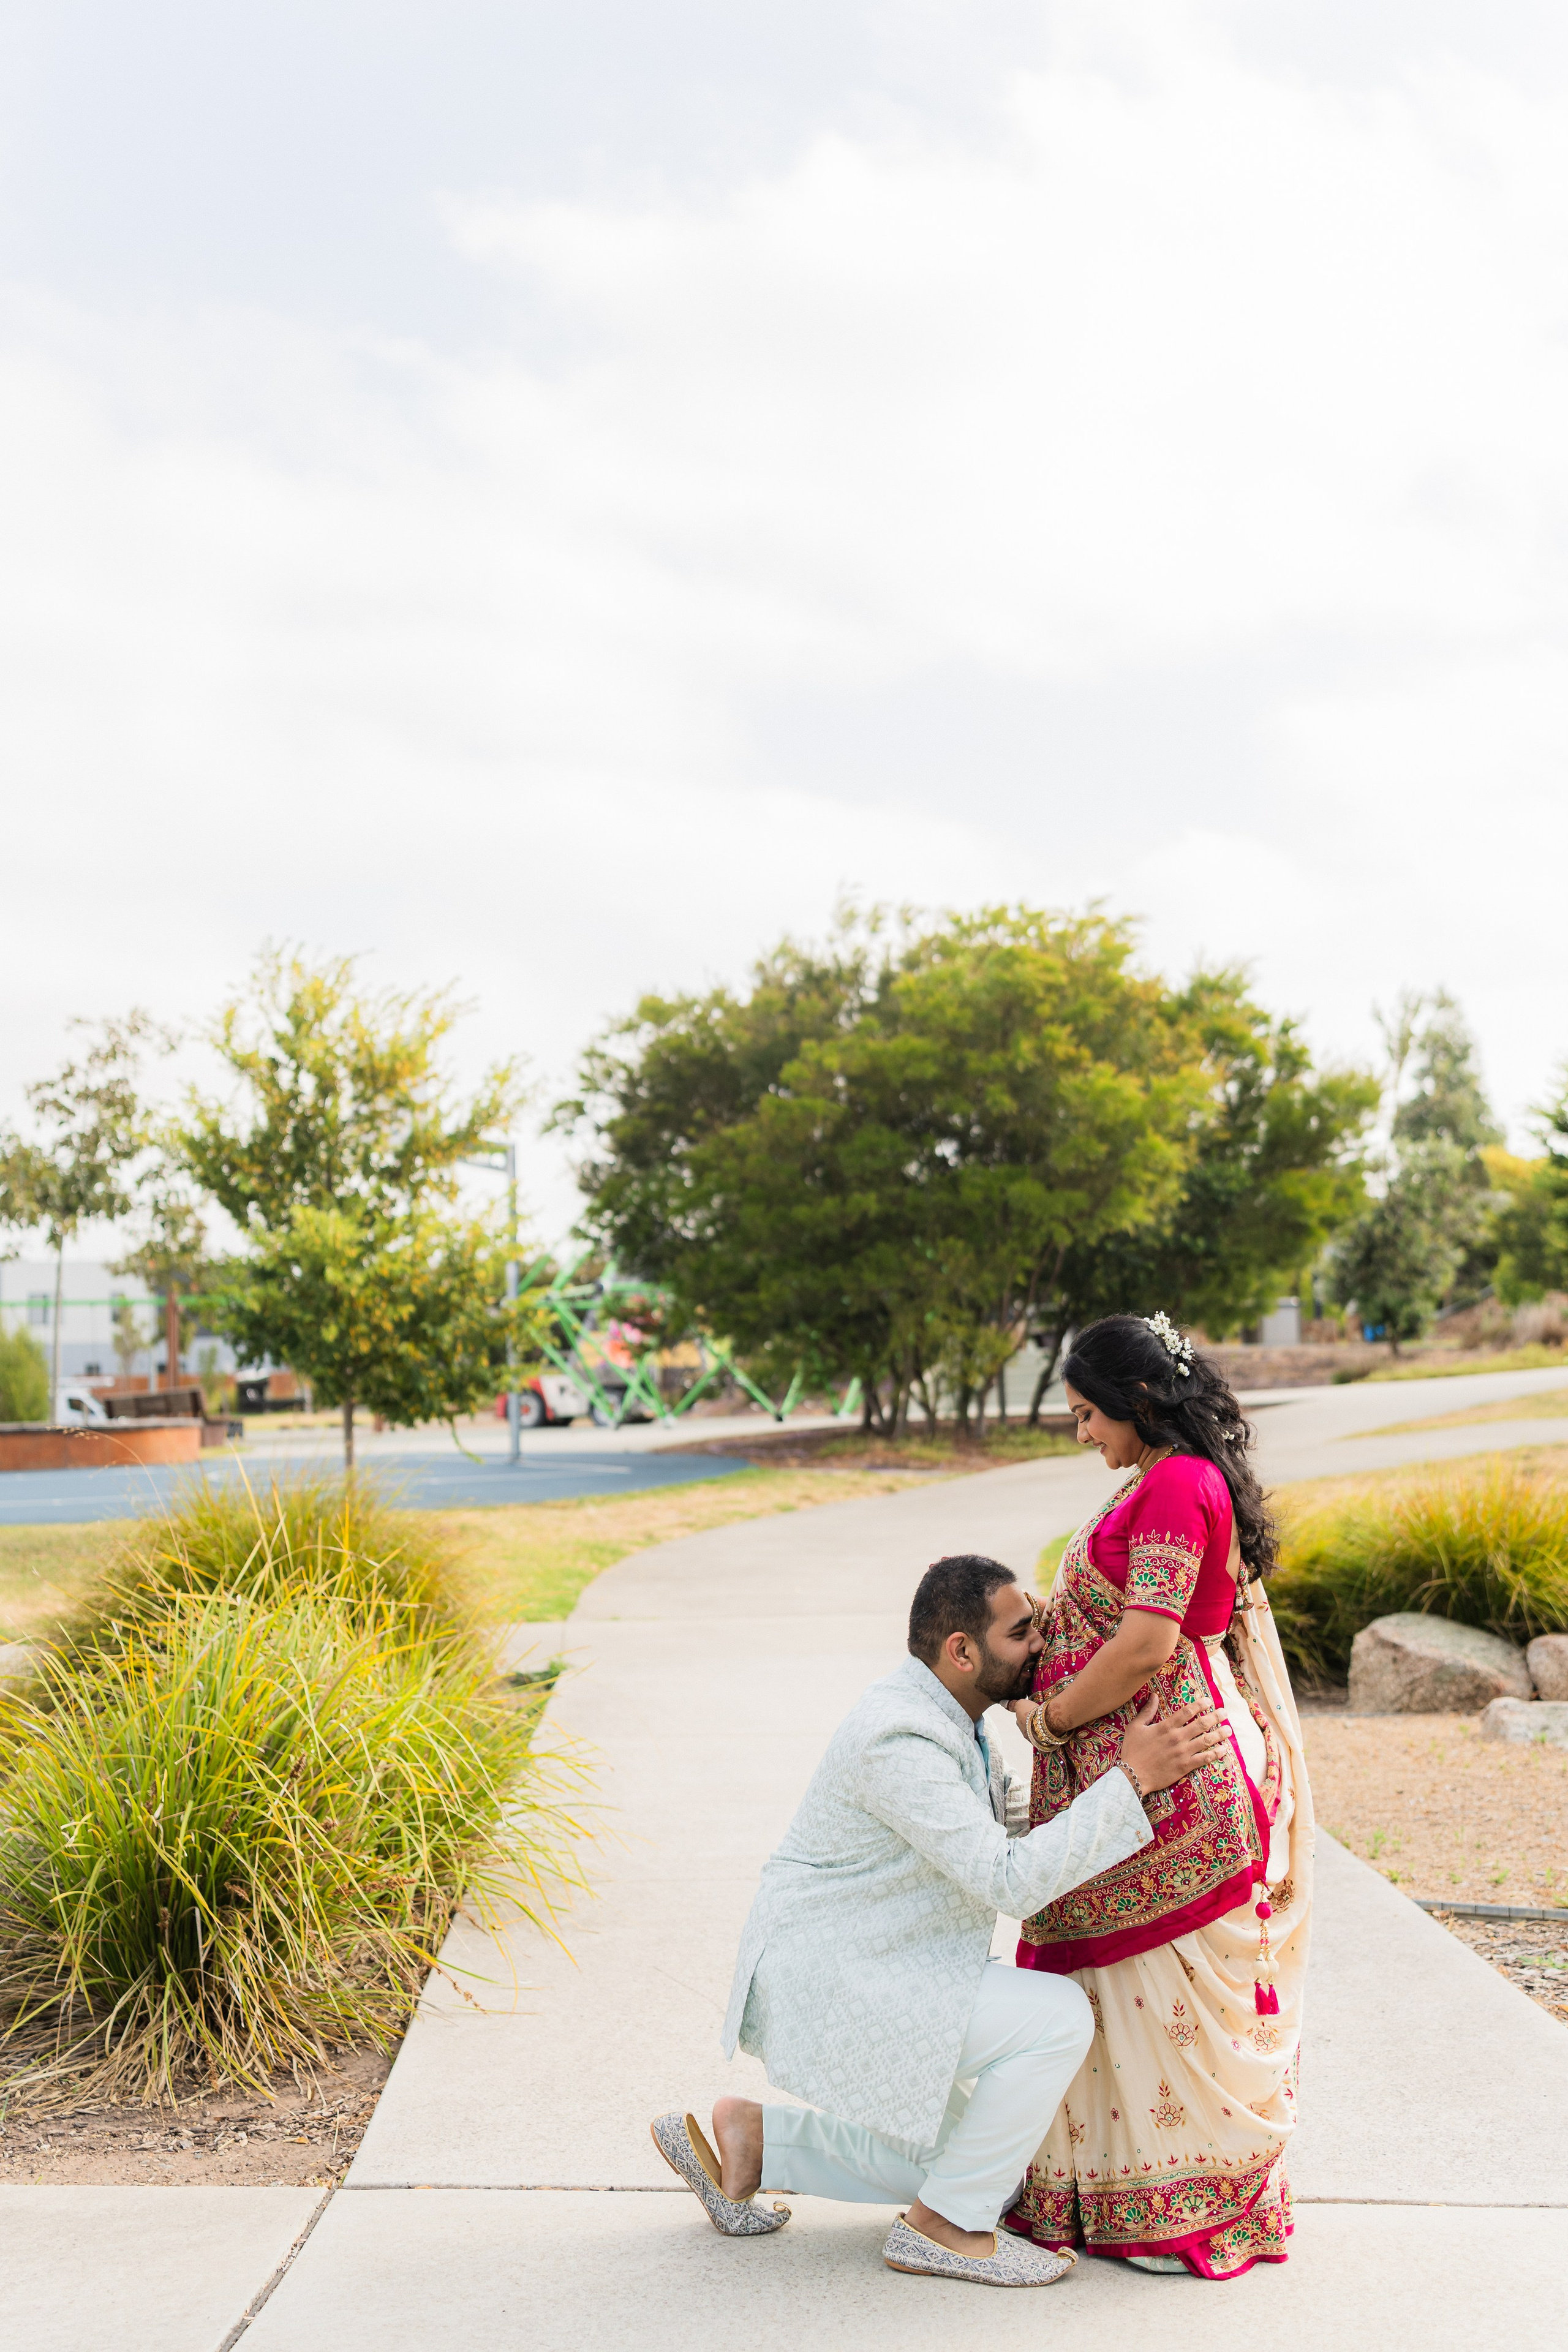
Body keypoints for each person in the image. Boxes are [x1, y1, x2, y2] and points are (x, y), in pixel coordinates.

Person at [649, 1551, 1225, 2288]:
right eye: (1022, 1633)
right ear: (961, 1651)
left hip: (885, 1959)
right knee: (1056, 2018)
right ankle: (947, 2229)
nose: (1041, 1645)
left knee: (980, 2166)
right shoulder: (901, 1737)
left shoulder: (946, 1714)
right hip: (839, 1972)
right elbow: (1004, 1875)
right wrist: (1133, 1778)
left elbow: (992, 1825)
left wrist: (1111, 1767)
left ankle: (755, 2145)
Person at [1003, 1312, 1314, 2281]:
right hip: (1148, 1781)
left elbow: (1145, 1644)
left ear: (1139, 1403)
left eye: (1089, 1414)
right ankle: (1123, 2198)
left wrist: (1050, 1722)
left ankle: (1179, 2210)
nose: (1081, 1432)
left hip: (1171, 1782)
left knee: (1152, 1996)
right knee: (1117, 2000)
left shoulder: (1177, 1482)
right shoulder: (1162, 1479)